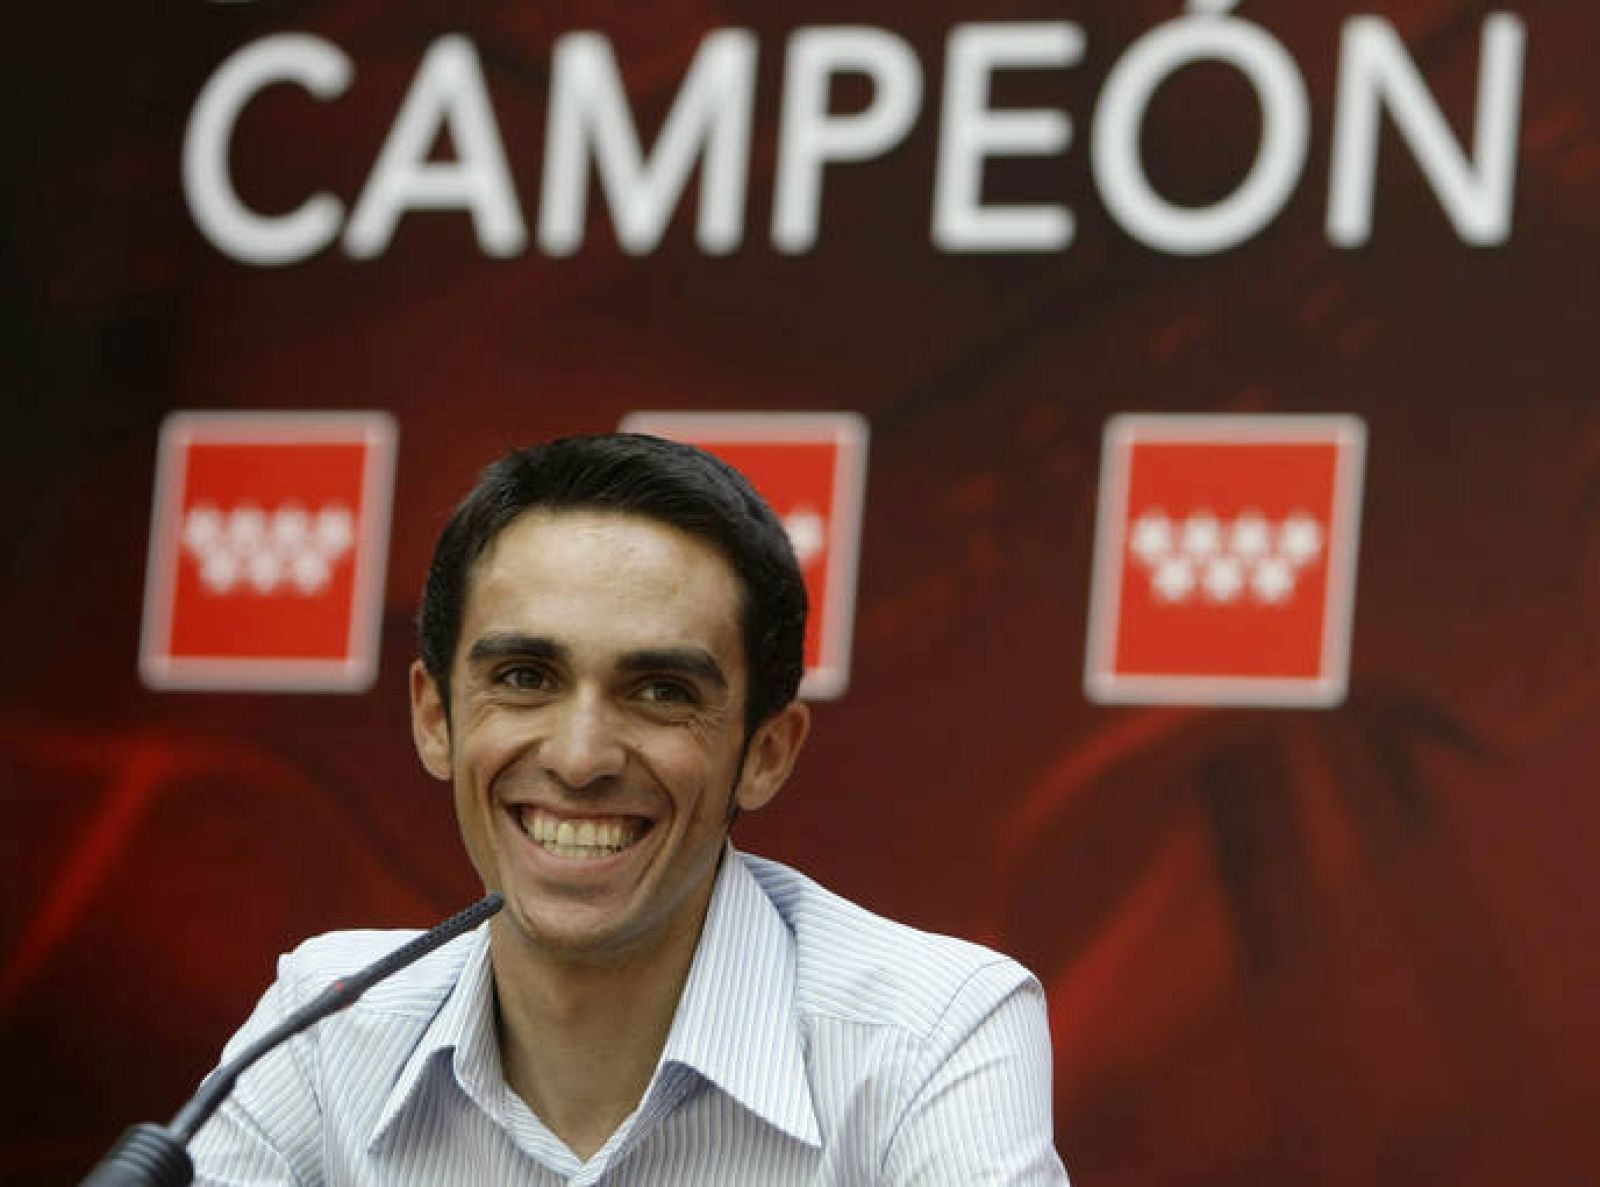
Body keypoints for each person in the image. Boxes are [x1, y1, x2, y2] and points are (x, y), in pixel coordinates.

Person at [191, 433, 1070, 1185]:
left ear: (765, 754)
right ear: (435, 719)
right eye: (526, 678)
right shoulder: (322, 1022)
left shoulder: (933, 1033)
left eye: (658, 690)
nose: (580, 757)